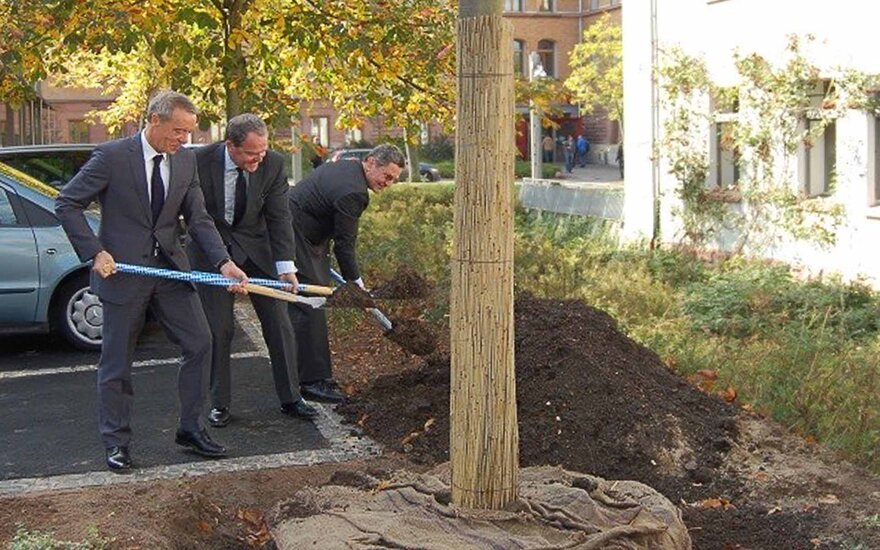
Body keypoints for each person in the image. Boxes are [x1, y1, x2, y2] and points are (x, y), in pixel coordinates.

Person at [55, 90, 249, 472]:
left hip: (170, 272)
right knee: (116, 364)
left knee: (200, 342)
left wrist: (224, 262)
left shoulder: (185, 162)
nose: (183, 139)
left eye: (189, 132)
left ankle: (191, 429)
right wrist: (95, 252)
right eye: (178, 130)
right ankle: (117, 443)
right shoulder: (112, 157)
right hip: (124, 274)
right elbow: (67, 203)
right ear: (154, 121)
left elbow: (200, 219)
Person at [187, 113, 318, 428]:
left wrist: (286, 266)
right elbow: (194, 216)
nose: (258, 158)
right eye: (250, 153)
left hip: (258, 252)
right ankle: (219, 403)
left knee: (279, 323)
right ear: (230, 145)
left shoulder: (271, 163)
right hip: (211, 253)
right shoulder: (196, 161)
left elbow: (278, 217)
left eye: (263, 151)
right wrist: (221, 261)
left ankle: (291, 398)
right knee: (219, 329)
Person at [287, 144, 405, 403]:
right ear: (371, 162)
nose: (389, 183)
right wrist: (357, 285)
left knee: (310, 303)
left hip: (308, 235)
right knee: (310, 305)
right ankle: (312, 382)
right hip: (296, 236)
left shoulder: (347, 166)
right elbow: (345, 244)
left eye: (394, 180)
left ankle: (312, 375)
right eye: (387, 176)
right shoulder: (353, 192)